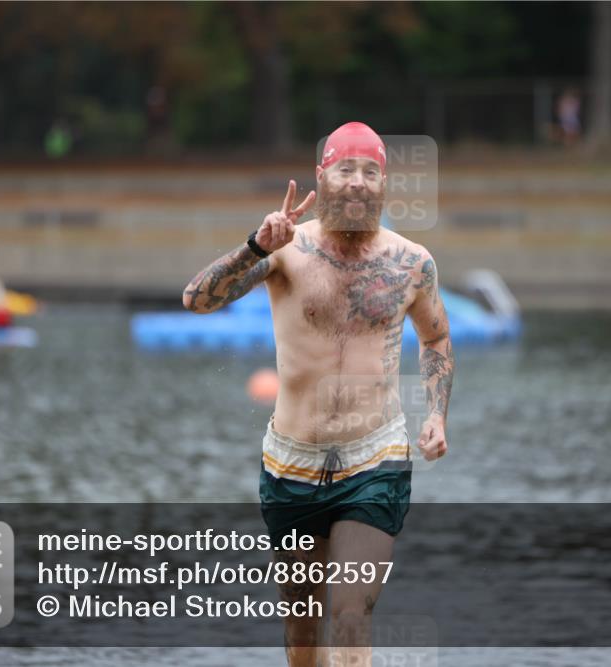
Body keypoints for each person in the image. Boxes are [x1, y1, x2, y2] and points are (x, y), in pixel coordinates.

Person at [183, 122, 454, 667]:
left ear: (384, 184)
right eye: (345, 168)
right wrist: (256, 245)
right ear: (321, 176)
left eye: (371, 171)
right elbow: (197, 300)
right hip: (291, 466)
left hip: (375, 460)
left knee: (351, 618)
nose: (358, 182)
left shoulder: (412, 264)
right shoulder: (286, 249)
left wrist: (438, 415)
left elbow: (437, 338)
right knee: (303, 631)